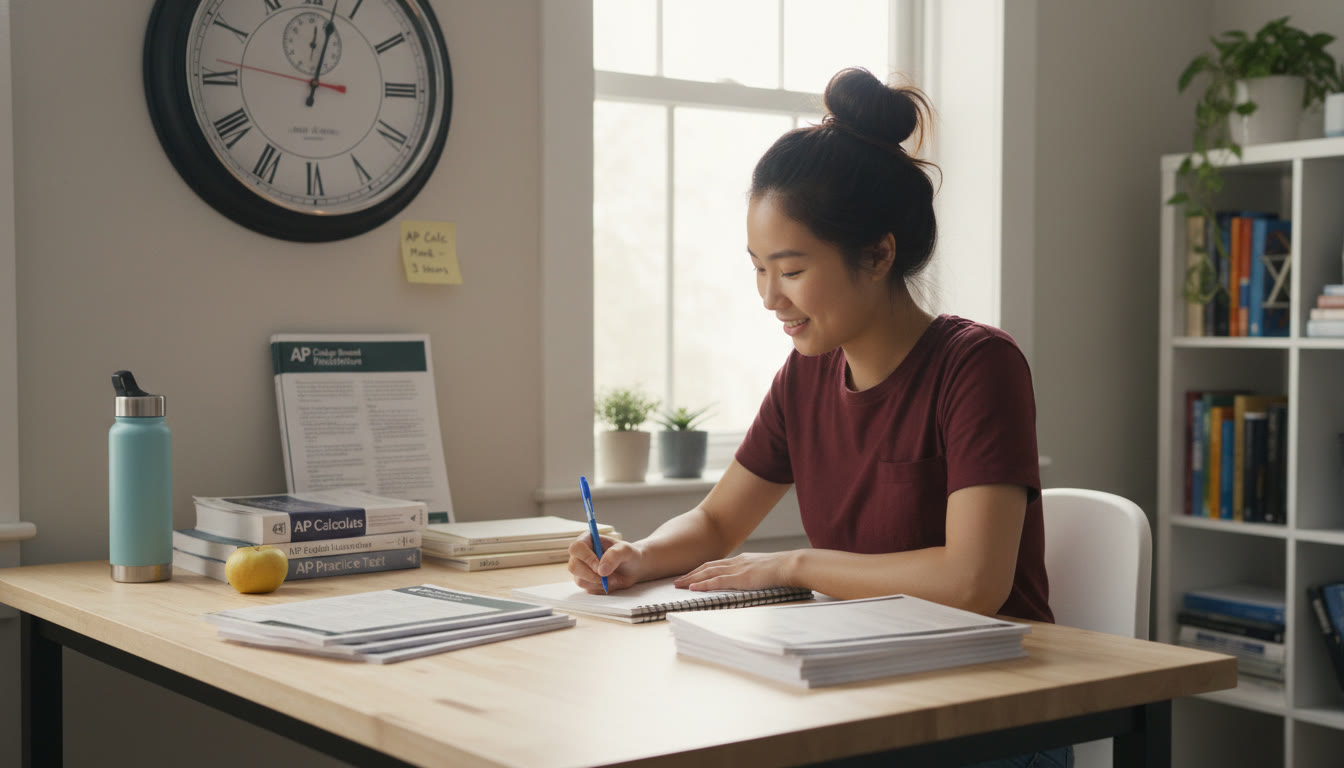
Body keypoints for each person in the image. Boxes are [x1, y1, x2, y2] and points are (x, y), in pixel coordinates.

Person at [570, 67, 1069, 768]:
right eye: (758, 268)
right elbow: (717, 523)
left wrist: (795, 564)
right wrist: (639, 558)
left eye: (792, 269)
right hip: (865, 691)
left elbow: (973, 582)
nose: (770, 297)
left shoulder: (978, 366)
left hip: (989, 718)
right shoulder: (807, 373)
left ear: (877, 254)